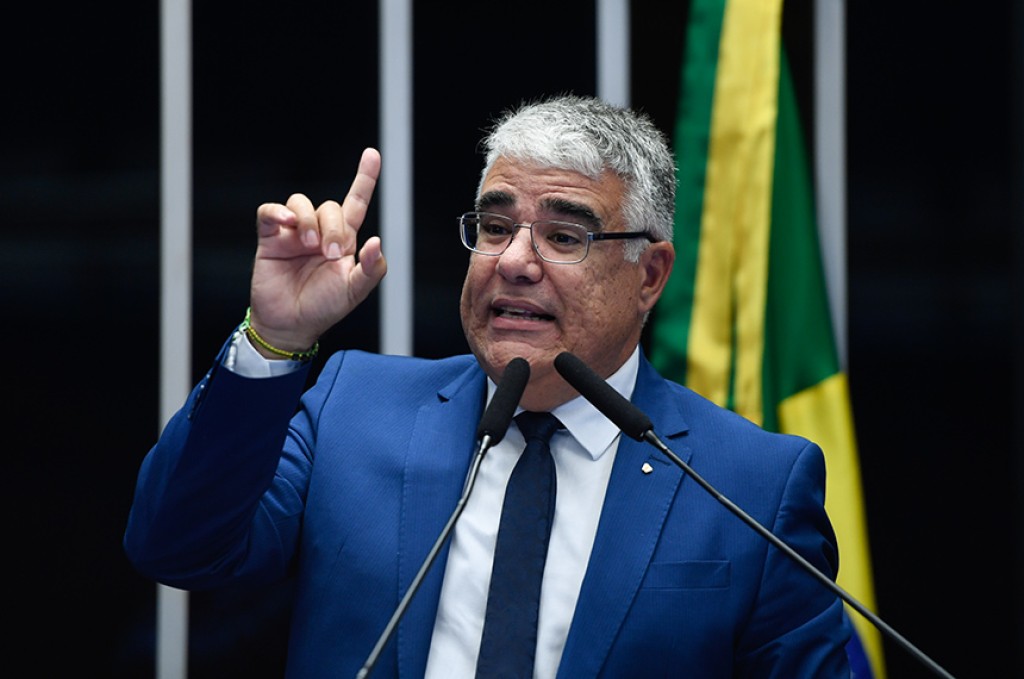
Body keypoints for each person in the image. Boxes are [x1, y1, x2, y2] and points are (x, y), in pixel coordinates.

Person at [124, 94, 851, 678]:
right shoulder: (354, 407)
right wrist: (274, 338)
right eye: (496, 227)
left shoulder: (752, 484)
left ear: (650, 275)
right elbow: (178, 547)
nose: (514, 262)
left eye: (564, 237)